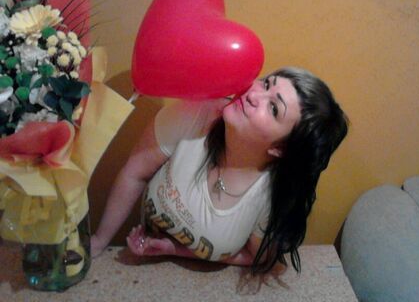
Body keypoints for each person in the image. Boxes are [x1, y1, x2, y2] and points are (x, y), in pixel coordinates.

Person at [91, 67, 348, 276]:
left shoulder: (272, 196)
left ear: (280, 148)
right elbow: (135, 173)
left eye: (273, 108)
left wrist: (174, 249)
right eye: (266, 83)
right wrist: (100, 241)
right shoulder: (193, 114)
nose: (254, 95)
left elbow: (255, 257)